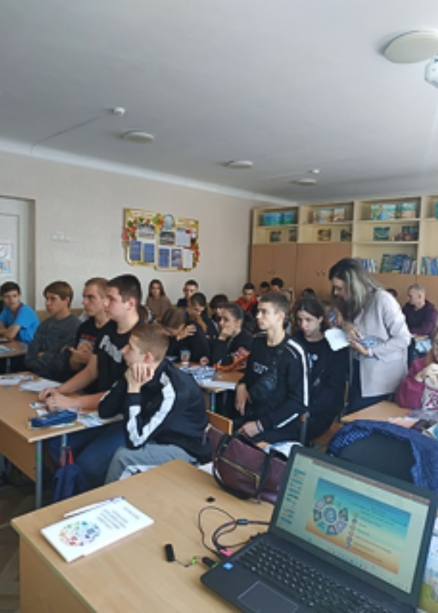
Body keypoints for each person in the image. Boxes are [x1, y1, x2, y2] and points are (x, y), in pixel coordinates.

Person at [39, 274, 143, 488]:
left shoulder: (141, 340)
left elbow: (120, 393)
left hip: (127, 418)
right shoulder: (107, 330)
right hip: (101, 410)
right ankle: (70, 488)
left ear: (130, 304)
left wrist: (72, 402)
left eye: (111, 299)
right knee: (56, 444)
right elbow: (91, 371)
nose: (105, 304)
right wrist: (59, 390)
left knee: (89, 464)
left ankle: (88, 495)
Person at [103, 323, 210, 483]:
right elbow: (104, 409)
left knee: (123, 458)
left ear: (147, 357)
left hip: (185, 449)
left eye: (130, 347)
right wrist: (127, 381)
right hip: (156, 437)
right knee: (99, 457)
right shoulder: (135, 371)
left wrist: (133, 390)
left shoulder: (173, 390)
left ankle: (110, 499)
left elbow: (135, 441)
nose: (122, 350)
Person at [329, 258, 410, 413]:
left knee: (365, 417)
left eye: (339, 288)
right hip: (358, 369)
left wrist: (370, 352)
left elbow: (403, 339)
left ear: (354, 285)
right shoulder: (352, 300)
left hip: (382, 377)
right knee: (353, 414)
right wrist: (347, 325)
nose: (335, 292)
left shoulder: (383, 300)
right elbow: (346, 322)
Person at [234, 292, 308, 443]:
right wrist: (241, 385)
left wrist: (260, 425)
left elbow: (299, 402)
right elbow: (249, 376)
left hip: (277, 426)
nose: (258, 316)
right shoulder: (257, 341)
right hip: (252, 416)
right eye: (258, 311)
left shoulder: (294, 353)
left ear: (280, 316)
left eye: (264, 312)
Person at [292, 296, 348, 441]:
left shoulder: (334, 346)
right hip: (294, 402)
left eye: (308, 320)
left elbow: (334, 389)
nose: (303, 325)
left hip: (320, 408)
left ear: (320, 319)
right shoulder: (294, 341)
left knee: (291, 430)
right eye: (299, 320)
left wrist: (308, 409)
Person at [25, 281, 79, 381]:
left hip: (61, 381)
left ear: (66, 300)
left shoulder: (76, 326)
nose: (47, 303)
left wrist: (43, 355)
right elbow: (30, 357)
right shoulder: (45, 324)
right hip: (37, 377)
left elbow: (63, 364)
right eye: (46, 299)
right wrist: (52, 355)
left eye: (53, 299)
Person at [68, 277, 111, 390]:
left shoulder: (115, 329)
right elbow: (73, 367)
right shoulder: (84, 327)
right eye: (84, 297)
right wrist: (75, 358)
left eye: (91, 297)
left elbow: (115, 372)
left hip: (103, 390)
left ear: (106, 300)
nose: (84, 302)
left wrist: (91, 360)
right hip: (81, 387)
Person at [396, 328, 438, 410]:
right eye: (437, 343)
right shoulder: (419, 365)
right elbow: (405, 403)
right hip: (424, 416)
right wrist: (419, 378)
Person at [210, 303, 254, 369]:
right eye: (220, 319)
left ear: (238, 322)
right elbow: (213, 358)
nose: (220, 322)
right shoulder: (226, 335)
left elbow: (221, 363)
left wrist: (222, 339)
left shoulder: (247, 341)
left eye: (226, 320)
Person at [402, 283, 437, 360]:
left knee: (413, 351)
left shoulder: (431, 311)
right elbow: (400, 322)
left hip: (425, 341)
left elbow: (426, 330)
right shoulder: (407, 307)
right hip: (407, 336)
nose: (407, 298)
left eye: (410, 296)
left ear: (419, 296)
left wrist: (408, 331)